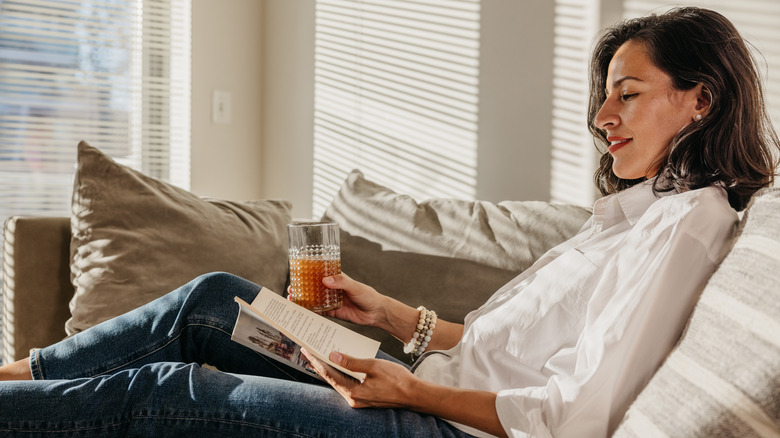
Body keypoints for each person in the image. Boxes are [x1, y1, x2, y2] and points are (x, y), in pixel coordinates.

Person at [1, 7, 777, 438]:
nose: (602, 117)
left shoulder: (685, 230)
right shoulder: (633, 216)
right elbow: (507, 348)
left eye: (628, 93)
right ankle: (18, 379)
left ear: (702, 98)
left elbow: (573, 416)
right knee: (216, 300)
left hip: (444, 428)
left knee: (167, 391)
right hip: (430, 390)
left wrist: (409, 392)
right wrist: (394, 318)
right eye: (606, 94)